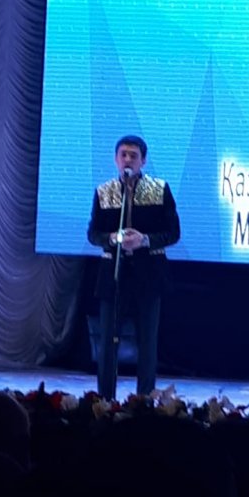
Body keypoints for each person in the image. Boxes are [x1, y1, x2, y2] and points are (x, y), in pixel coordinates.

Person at [87, 135, 180, 398]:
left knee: (147, 342)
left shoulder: (159, 189)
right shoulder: (104, 192)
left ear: (143, 161)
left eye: (133, 155)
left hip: (149, 274)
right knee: (108, 341)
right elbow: (93, 234)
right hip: (113, 274)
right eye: (123, 155)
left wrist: (144, 240)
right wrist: (113, 238)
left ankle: (144, 399)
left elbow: (173, 233)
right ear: (116, 159)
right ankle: (105, 400)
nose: (128, 160)